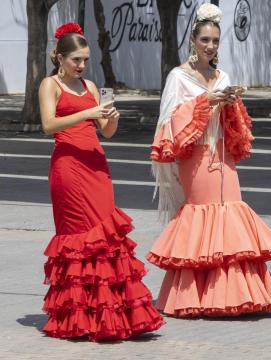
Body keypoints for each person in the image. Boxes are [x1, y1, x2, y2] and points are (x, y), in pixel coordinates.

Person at [146, 3, 271, 318]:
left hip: (222, 154)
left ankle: (238, 293)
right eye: (204, 40)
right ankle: (194, 296)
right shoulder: (179, 77)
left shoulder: (222, 75)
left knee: (232, 213)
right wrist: (204, 101)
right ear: (193, 40)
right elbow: (167, 122)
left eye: (214, 41)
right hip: (195, 155)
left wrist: (231, 102)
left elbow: (235, 125)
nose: (210, 46)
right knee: (201, 217)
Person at [37, 22, 164, 341]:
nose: (81, 66)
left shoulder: (91, 87)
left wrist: (112, 119)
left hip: (95, 165)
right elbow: (49, 125)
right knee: (80, 236)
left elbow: (105, 132)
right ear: (59, 57)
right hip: (68, 167)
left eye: (85, 60)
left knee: (106, 235)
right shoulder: (50, 85)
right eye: (75, 60)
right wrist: (87, 112)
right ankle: (80, 316)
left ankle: (114, 312)